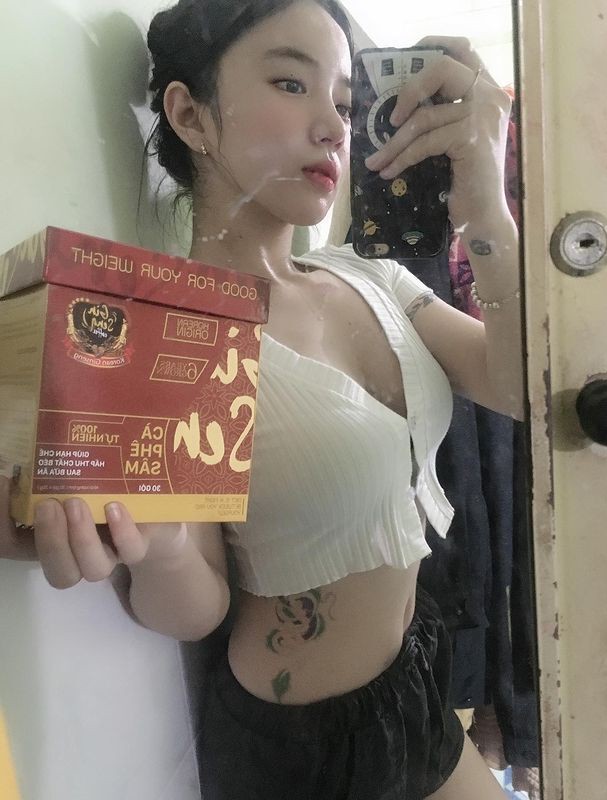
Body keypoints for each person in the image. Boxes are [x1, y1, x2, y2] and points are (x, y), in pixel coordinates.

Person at [0, 1, 523, 797]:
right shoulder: (173, 330)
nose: (334, 127)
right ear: (190, 115)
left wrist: (486, 206)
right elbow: (196, 609)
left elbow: (519, 385)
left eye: (345, 101)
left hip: (418, 676)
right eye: (291, 83)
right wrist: (162, 543)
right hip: (303, 750)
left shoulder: (370, 277)